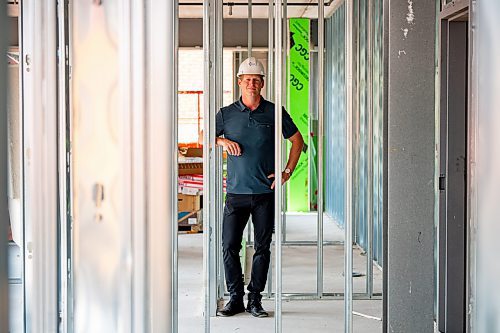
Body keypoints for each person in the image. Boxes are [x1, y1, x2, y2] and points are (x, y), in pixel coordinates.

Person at [215, 57, 304, 318]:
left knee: (262, 248)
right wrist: (221, 141)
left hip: (265, 193)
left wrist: (287, 172)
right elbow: (203, 135)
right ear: (239, 82)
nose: (252, 83)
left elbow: (297, 141)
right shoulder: (226, 114)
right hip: (235, 194)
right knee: (229, 245)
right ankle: (235, 298)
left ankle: (255, 299)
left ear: (262, 84)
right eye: (247, 79)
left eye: (257, 79)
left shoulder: (275, 112)